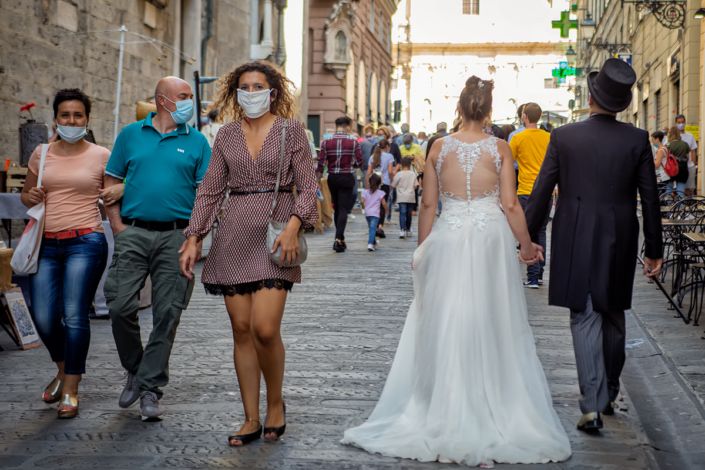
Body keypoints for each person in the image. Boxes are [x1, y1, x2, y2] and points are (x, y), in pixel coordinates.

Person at [342, 76, 571, 466]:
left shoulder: (438, 148)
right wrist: (528, 244)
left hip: (447, 239)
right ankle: (493, 404)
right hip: (490, 241)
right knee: (492, 319)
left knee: (445, 318)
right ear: (488, 111)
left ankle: (442, 405)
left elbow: (428, 207)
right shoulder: (500, 148)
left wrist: (423, 250)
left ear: (460, 108)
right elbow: (511, 205)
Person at [179, 60, 318, 446]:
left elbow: (308, 187)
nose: (252, 93)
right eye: (245, 87)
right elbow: (209, 190)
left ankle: (276, 404)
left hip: (276, 234)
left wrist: (294, 225)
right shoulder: (225, 135)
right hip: (235, 232)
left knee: (265, 328)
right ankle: (251, 418)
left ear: (272, 92)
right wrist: (194, 237)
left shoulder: (292, 132)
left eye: (259, 86)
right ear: (235, 92)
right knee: (241, 330)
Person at [525, 58, 663, 434]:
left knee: (584, 313)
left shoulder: (565, 136)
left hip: (574, 232)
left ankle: (592, 402)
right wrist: (655, 249)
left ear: (590, 97)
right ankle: (608, 389)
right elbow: (649, 198)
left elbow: (541, 191)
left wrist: (528, 237)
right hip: (619, 233)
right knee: (613, 311)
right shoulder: (636, 139)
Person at [103, 76, 211, 421]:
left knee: (168, 312)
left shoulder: (197, 142)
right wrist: (118, 227)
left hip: (177, 236)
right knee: (119, 305)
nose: (189, 103)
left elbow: (206, 197)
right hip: (133, 232)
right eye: (183, 97)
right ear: (163, 100)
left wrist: (194, 239)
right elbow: (110, 183)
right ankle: (137, 368)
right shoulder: (130, 135)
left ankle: (150, 388)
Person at [20, 88, 110, 419]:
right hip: (47, 243)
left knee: (74, 314)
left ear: (86, 119)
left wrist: (116, 190)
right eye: (65, 115)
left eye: (78, 115)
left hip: (85, 242)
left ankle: (71, 387)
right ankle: (62, 369)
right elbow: (26, 198)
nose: (71, 121)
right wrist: (32, 196)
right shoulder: (40, 154)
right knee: (43, 316)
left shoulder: (102, 155)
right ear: (55, 118)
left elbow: (119, 188)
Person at [509, 102, 551, 288]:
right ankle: (539, 273)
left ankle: (533, 277)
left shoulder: (518, 138)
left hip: (526, 190)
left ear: (524, 117)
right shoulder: (549, 137)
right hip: (546, 190)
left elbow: (509, 163)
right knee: (540, 230)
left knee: (529, 231)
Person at [317, 116, 362, 253]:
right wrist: (351, 164)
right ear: (348, 126)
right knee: (343, 209)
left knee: (337, 208)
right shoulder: (353, 143)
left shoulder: (326, 143)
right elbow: (360, 163)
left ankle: (340, 238)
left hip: (332, 178)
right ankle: (338, 238)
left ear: (336, 126)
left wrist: (317, 179)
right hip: (347, 177)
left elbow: (321, 164)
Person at [365, 139, 396, 238]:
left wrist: (367, 184)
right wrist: (392, 180)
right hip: (385, 184)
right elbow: (391, 171)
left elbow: (369, 172)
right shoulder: (389, 156)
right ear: (387, 146)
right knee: (382, 206)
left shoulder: (372, 157)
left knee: (374, 205)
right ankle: (380, 226)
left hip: (374, 184)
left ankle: (373, 226)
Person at [391, 157, 418, 238]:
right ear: (410, 165)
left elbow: (393, 185)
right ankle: (408, 229)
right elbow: (416, 185)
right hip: (410, 196)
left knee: (402, 213)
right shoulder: (413, 174)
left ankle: (402, 230)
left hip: (401, 196)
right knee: (409, 214)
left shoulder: (399, 174)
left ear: (401, 165)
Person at [361, 173, 387, 251]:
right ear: (379, 184)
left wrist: (363, 208)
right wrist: (387, 210)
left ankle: (374, 242)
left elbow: (362, 201)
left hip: (367, 214)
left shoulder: (365, 192)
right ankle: (370, 244)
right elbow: (384, 203)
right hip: (375, 214)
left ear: (369, 182)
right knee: (372, 228)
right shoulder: (380, 193)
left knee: (372, 228)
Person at [675, 114, 698, 196]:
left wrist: (693, 164)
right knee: (680, 188)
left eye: (682, 122)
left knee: (690, 188)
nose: (681, 124)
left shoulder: (690, 136)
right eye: (679, 122)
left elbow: (693, 151)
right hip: (677, 166)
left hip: (689, 166)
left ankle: (688, 205)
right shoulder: (674, 136)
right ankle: (680, 205)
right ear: (676, 123)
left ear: (685, 123)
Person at [666, 126, 690, 196]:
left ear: (670, 134)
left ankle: (669, 205)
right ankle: (680, 206)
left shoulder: (668, 145)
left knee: (669, 188)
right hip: (683, 168)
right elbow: (687, 156)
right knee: (681, 190)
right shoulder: (685, 144)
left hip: (671, 169)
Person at [651, 130, 671, 194]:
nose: (652, 141)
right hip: (665, 175)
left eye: (653, 139)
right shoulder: (664, 148)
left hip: (661, 176)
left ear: (657, 139)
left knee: (659, 196)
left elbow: (657, 165)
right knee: (662, 195)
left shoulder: (660, 151)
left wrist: (648, 163)